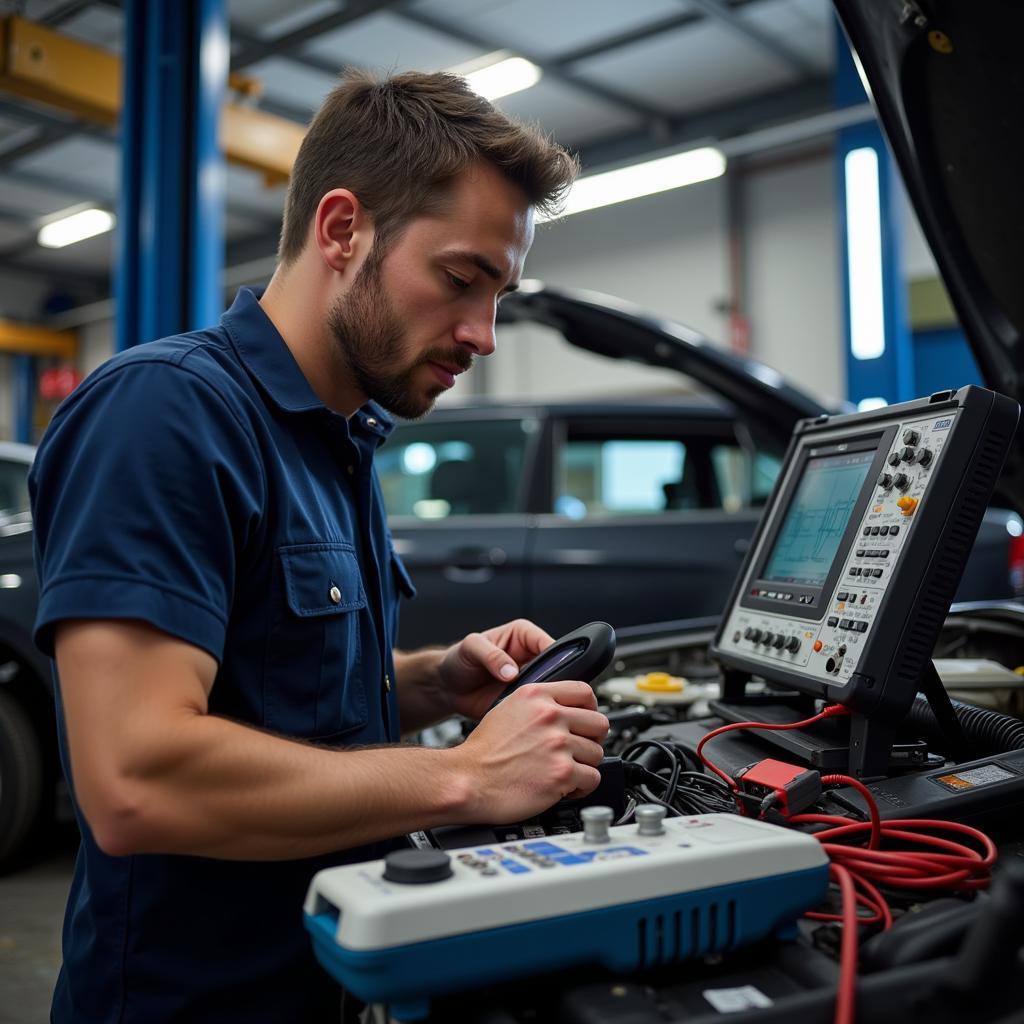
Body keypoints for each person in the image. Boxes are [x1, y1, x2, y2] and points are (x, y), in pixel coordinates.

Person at [30, 69, 608, 1023]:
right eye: (462, 280)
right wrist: (468, 774)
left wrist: (424, 681)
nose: (483, 334)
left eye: (500, 294)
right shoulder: (166, 413)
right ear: (342, 230)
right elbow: (136, 777)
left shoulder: (335, 439)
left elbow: (260, 682)